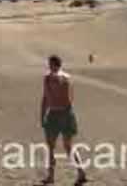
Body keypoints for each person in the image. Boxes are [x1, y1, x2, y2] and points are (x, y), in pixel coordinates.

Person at [40, 55, 87, 185]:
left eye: (51, 64)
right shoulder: (52, 78)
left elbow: (67, 99)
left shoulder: (61, 79)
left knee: (63, 147)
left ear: (56, 65)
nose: (49, 67)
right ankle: (52, 176)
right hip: (59, 114)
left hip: (61, 114)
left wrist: (45, 114)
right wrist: (43, 114)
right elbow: (45, 98)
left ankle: (79, 172)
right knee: (56, 146)